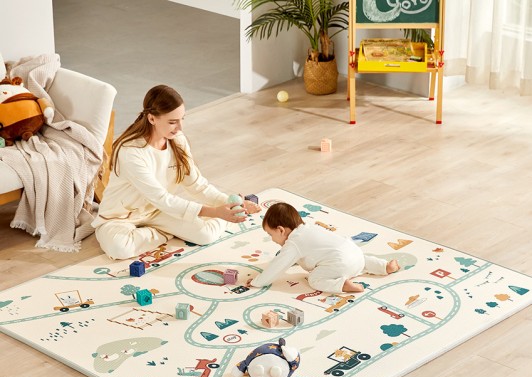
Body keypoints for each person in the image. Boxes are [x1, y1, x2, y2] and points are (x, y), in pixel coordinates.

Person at [92, 85, 259, 260]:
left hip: (158, 211)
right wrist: (215, 212)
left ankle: (159, 231)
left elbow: (196, 184)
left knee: (206, 235)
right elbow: (161, 198)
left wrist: (231, 205)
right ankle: (164, 233)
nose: (180, 127)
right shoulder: (131, 152)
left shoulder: (177, 140)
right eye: (172, 122)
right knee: (119, 248)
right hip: (120, 217)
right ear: (152, 118)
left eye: (181, 119)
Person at [246, 202, 400, 293]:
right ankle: (384, 266)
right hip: (355, 253)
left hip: (341, 264)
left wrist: (257, 282)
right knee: (361, 260)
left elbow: (277, 266)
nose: (272, 239)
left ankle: (342, 285)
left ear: (280, 230)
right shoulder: (309, 228)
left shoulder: (294, 243)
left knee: (314, 279)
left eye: (270, 234)